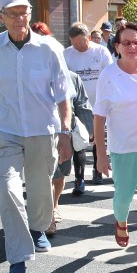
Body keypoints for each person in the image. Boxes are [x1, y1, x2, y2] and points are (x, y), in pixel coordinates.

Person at [0, 0, 72, 273]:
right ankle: (18, 258)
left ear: (30, 14)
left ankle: (38, 228)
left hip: (43, 132)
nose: (19, 19)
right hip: (6, 133)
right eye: (13, 14)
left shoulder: (49, 48)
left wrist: (65, 132)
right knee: (9, 190)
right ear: (1, 17)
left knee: (41, 190)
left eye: (23, 13)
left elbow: (63, 95)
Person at [93, 22, 137, 273]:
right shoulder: (109, 74)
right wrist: (101, 154)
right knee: (123, 198)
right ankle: (120, 220)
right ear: (117, 46)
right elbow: (99, 116)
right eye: (126, 43)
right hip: (123, 147)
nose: (132, 47)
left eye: (136, 42)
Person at [63, 22, 113, 191]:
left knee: (98, 139)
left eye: (82, 42)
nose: (78, 46)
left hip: (99, 103)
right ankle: (79, 178)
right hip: (77, 106)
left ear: (89, 38)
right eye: (75, 43)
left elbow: (110, 76)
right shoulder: (67, 55)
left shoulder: (100, 51)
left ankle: (98, 171)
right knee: (79, 140)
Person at [47, 71, 94, 236]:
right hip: (39, 132)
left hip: (64, 132)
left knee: (59, 172)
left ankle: (54, 205)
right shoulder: (32, 72)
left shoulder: (72, 77)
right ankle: (47, 215)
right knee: (43, 174)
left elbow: (82, 104)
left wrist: (90, 129)